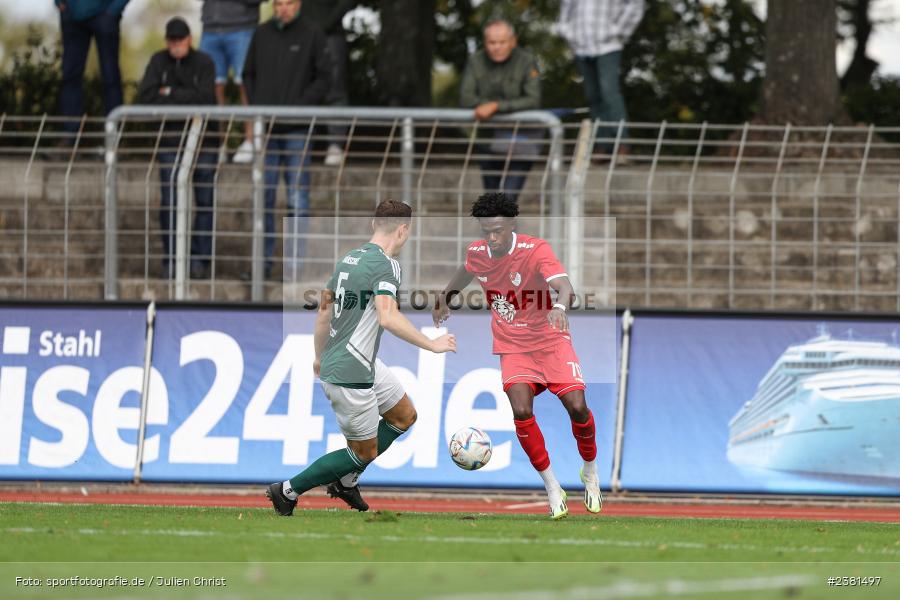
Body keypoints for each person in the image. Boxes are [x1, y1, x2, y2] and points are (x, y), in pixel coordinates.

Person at [266, 200, 457, 516]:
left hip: (354, 360)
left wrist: (318, 356)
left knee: (405, 415)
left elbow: (324, 312)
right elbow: (387, 316)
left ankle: (347, 482)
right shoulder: (388, 265)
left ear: (373, 224)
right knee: (363, 451)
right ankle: (287, 490)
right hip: (351, 370)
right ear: (404, 229)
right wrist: (431, 344)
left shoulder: (347, 260)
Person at [433, 192, 600, 520]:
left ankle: (590, 472)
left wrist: (559, 308)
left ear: (511, 225)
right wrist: (443, 298)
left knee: (578, 408)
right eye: (486, 232)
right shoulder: (478, 252)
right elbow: (465, 272)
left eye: (497, 231)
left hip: (551, 341)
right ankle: (552, 486)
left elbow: (566, 287)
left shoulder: (535, 250)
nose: (491, 238)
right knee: (522, 410)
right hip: (513, 346)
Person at [242, 0, 331, 279]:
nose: (283, 8)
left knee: (297, 199)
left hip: (298, 130)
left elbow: (325, 78)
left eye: (289, 2)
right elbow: (248, 75)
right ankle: (263, 264)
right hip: (268, 130)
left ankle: (293, 268)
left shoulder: (312, 33)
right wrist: (261, 107)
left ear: (299, 4)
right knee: (264, 198)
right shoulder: (261, 33)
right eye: (278, 3)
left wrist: (299, 107)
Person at [137, 17, 218, 280]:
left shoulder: (204, 62)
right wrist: (186, 95)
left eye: (180, 40)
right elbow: (145, 97)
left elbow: (206, 98)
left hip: (204, 143)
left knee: (204, 202)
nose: (176, 45)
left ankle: (199, 261)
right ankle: (173, 259)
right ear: (167, 41)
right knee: (170, 204)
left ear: (189, 40)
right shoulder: (158, 61)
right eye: (172, 41)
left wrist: (168, 92)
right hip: (171, 142)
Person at [460, 19, 541, 205]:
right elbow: (466, 98)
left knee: (509, 199)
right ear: (485, 41)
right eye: (492, 42)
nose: (496, 47)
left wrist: (496, 106)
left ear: (513, 41)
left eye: (502, 42)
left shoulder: (527, 61)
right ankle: (498, 234)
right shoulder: (475, 61)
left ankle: (506, 233)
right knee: (492, 201)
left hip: (520, 139)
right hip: (488, 141)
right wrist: (489, 107)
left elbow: (533, 99)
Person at [557, 0, 644, 160]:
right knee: (593, 96)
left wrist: (617, 30)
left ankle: (621, 144)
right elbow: (566, 7)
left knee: (609, 92)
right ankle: (603, 145)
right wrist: (566, 30)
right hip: (581, 46)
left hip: (608, 46)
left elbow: (636, 5)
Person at [197, 0, 266, 164]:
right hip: (210, 28)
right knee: (210, 88)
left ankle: (251, 141)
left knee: (246, 85)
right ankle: (218, 144)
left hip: (242, 28)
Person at [55, 0, 129, 138]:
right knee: (69, 77)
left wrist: (113, 10)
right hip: (71, 15)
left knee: (110, 77)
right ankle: (70, 139)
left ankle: (113, 141)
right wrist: (59, 3)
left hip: (105, 14)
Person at [301, 0, 357, 166]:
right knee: (301, 90)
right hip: (301, 36)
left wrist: (326, 23)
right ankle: (301, 143)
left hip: (330, 36)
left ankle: (336, 145)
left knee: (334, 91)